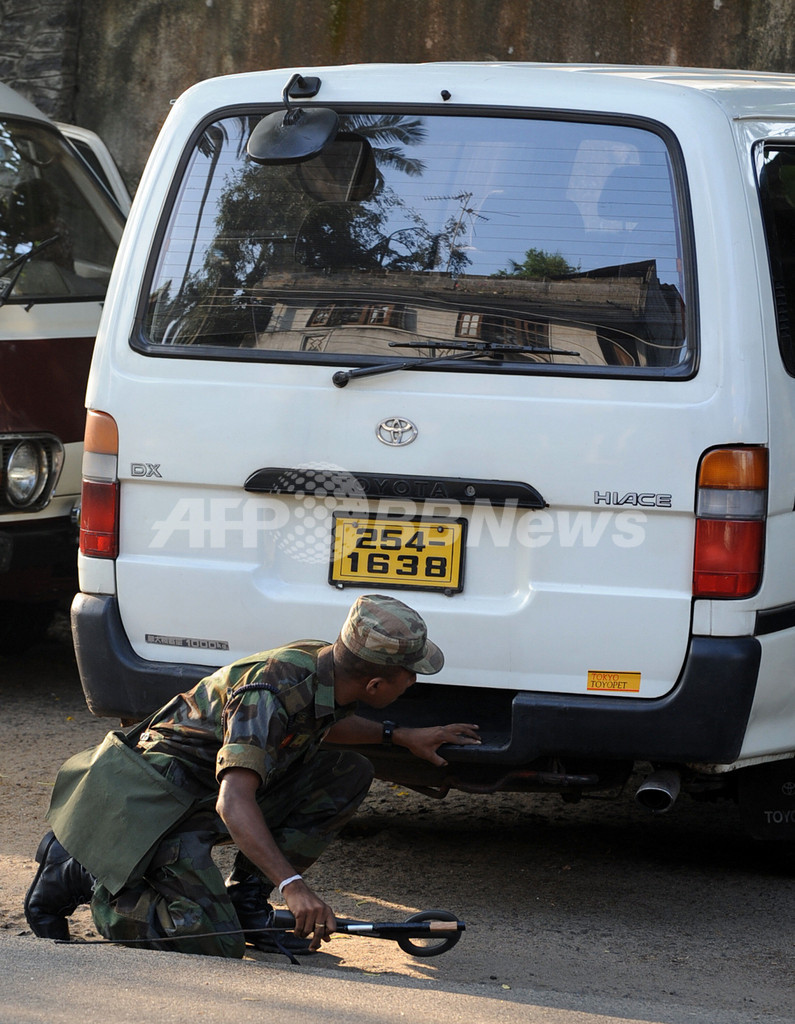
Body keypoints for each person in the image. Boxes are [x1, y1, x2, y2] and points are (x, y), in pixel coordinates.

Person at [25, 594, 480, 957]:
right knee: (213, 941)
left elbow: (318, 723)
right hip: (154, 803)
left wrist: (400, 735)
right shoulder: (270, 689)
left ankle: (247, 902)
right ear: (375, 685)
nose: (414, 683)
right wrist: (293, 886)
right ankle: (86, 873)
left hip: (202, 795)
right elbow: (234, 802)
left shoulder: (323, 669)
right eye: (409, 676)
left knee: (346, 772)